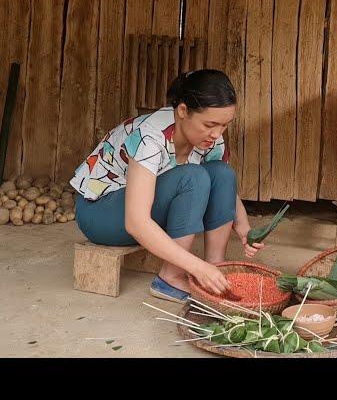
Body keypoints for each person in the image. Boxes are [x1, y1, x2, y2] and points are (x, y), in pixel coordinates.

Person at [71, 69, 264, 304]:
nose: (217, 133)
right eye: (210, 124)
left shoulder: (210, 138)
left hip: (140, 208)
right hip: (100, 214)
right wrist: (196, 266)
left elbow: (224, 186)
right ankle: (170, 278)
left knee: (222, 173)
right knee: (192, 178)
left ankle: (216, 270)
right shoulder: (149, 137)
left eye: (224, 125)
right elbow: (136, 222)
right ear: (183, 111)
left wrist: (243, 226)